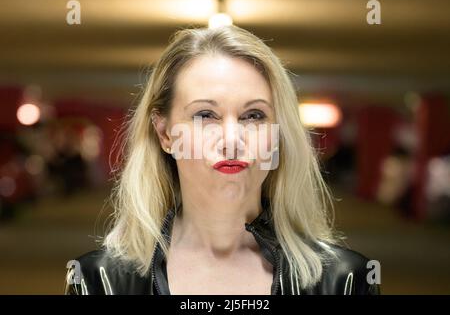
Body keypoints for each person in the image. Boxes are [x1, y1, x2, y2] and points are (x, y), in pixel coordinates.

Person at [64, 25, 380, 295]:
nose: (232, 139)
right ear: (165, 134)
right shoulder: (99, 281)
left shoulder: (345, 280)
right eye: (205, 115)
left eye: (254, 115)